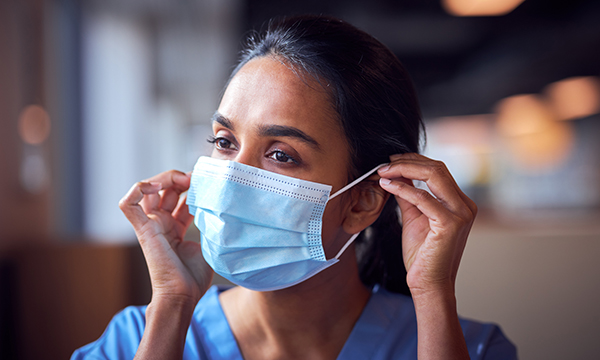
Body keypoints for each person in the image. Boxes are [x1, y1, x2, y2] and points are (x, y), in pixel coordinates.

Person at [72, 15, 517, 360]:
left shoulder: (467, 348)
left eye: (280, 154)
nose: (231, 180)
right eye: (225, 142)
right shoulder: (135, 340)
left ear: (361, 201)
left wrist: (432, 295)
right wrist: (171, 306)